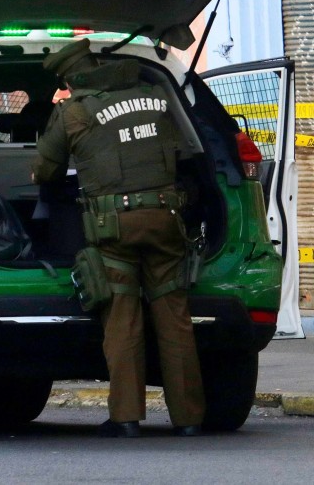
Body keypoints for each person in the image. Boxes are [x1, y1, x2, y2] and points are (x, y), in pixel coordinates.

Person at [31, 38, 204, 438]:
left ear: (71, 78)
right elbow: (183, 153)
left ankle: (126, 418)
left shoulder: (73, 113)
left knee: (122, 321)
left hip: (115, 230)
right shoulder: (156, 95)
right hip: (167, 221)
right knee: (175, 320)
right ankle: (190, 419)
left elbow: (46, 171)